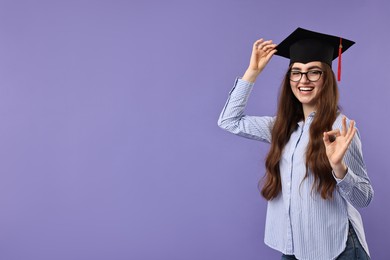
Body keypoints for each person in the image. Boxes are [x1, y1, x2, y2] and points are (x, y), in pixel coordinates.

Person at [218, 28, 373, 260]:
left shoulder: (339, 129)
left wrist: (339, 167)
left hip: (335, 248)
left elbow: (364, 198)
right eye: (296, 72)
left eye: (314, 72)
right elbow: (229, 120)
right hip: (292, 246)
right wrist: (253, 71)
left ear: (327, 78)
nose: (303, 80)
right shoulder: (281, 127)